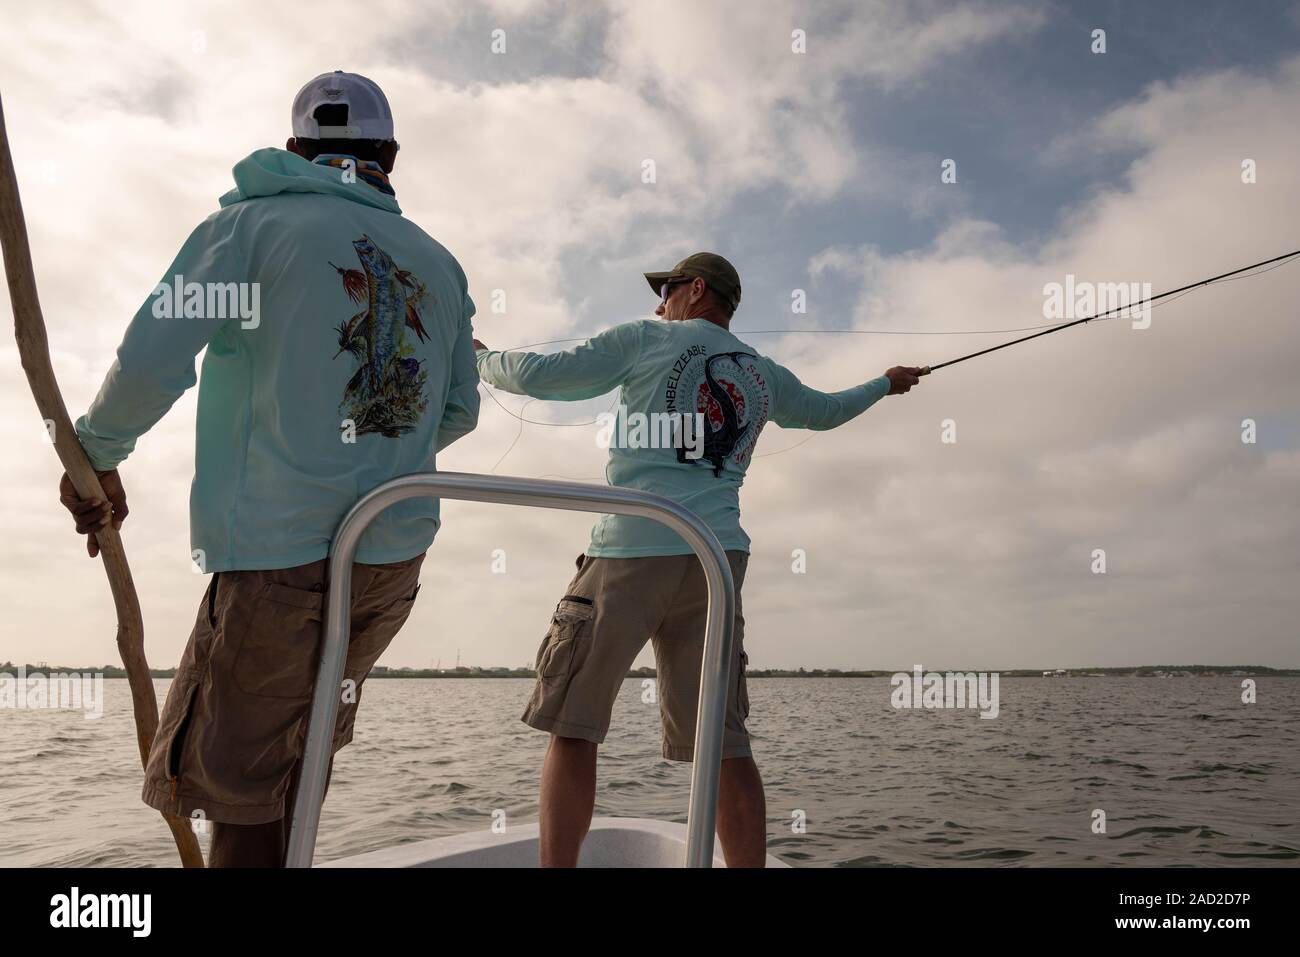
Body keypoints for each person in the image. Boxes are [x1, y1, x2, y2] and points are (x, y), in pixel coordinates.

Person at [59, 71, 480, 866]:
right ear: (389, 155)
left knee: (241, 789)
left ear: (296, 151)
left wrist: (98, 455)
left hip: (280, 554)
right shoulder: (441, 264)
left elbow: (154, 357)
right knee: (300, 760)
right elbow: (457, 412)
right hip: (391, 561)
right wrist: (374, 455)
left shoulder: (251, 226)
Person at [474, 251, 925, 866]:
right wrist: (885, 383)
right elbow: (825, 412)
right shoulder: (764, 374)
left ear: (694, 289)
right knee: (722, 741)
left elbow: (539, 375)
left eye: (664, 291)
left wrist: (480, 357)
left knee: (572, 727)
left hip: (634, 548)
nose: (657, 304)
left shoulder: (645, 336)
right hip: (716, 561)